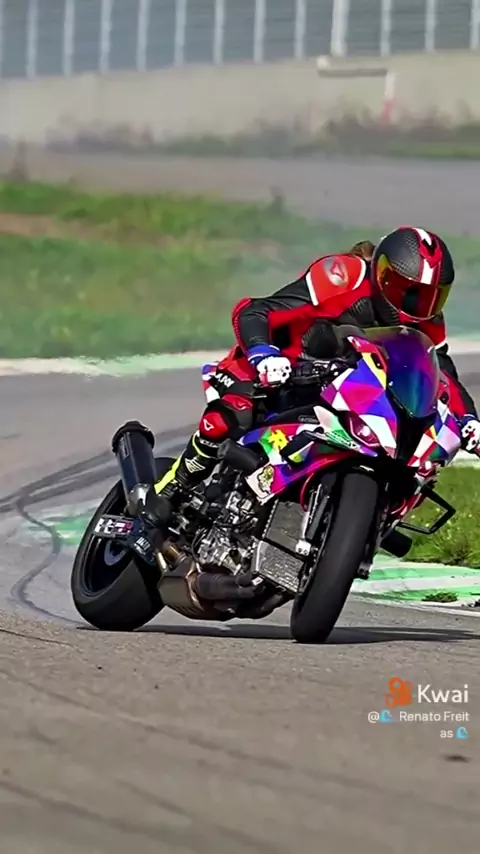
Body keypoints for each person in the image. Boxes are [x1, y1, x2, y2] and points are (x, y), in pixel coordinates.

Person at [149, 225, 480, 511]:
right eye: (411, 293)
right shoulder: (343, 276)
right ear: (383, 276)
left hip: (348, 392)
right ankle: (165, 494)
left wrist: (469, 420)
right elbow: (256, 311)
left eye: (433, 297)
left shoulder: (427, 320)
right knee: (229, 416)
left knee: (414, 460)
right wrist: (264, 355)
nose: (420, 306)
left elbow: (442, 372)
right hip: (281, 369)